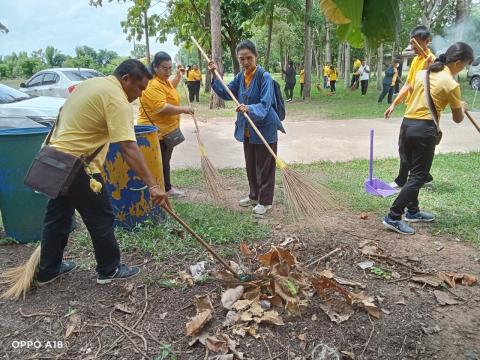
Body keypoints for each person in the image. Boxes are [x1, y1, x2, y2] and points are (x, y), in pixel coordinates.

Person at [36, 59, 169, 285]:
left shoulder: (91, 84)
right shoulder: (116, 98)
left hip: (56, 158)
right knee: (101, 217)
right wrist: (154, 186)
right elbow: (128, 147)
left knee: (57, 216)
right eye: (139, 88)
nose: (139, 95)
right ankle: (109, 270)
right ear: (126, 79)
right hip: (79, 166)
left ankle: (48, 270)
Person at [382, 42, 473, 235]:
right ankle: (393, 215)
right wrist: (461, 107)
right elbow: (458, 119)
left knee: (412, 173)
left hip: (406, 126)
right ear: (457, 63)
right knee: (419, 176)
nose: (462, 69)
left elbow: (415, 92)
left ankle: (412, 211)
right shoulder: (451, 83)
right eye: (464, 65)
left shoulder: (422, 73)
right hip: (424, 130)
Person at [208, 40, 285, 217]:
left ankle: (266, 201)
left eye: (249, 58)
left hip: (265, 128)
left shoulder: (264, 77)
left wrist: (249, 108)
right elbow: (227, 93)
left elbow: (265, 105)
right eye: (241, 59)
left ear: (255, 56)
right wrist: (214, 74)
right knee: (250, 164)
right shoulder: (241, 77)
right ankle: (254, 196)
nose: (245, 62)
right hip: (247, 129)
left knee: (265, 166)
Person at [385, 25, 436, 190]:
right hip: (410, 110)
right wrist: (394, 103)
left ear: (426, 41)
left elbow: (425, 84)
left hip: (423, 114)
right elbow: (408, 84)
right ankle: (423, 176)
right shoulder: (416, 60)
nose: (413, 46)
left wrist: (428, 67)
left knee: (411, 149)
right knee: (404, 147)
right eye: (411, 43)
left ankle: (404, 180)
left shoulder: (432, 61)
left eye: (415, 43)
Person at [138, 51, 194, 198]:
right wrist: (184, 109)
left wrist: (178, 76)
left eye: (170, 68)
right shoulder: (152, 84)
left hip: (166, 131)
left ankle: (165, 187)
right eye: (165, 68)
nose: (168, 71)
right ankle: (162, 188)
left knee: (165, 160)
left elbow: (169, 88)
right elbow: (161, 107)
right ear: (155, 67)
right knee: (160, 161)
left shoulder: (162, 81)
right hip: (156, 132)